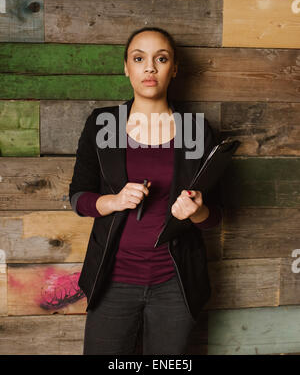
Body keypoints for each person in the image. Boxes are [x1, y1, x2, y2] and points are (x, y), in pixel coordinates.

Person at [69, 27, 223, 355]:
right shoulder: (101, 124)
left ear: (174, 68)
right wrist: (113, 200)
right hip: (113, 280)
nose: (150, 67)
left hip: (175, 283)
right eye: (139, 58)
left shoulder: (196, 129)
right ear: (127, 67)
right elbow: (78, 197)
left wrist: (197, 211)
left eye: (161, 59)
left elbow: (214, 216)